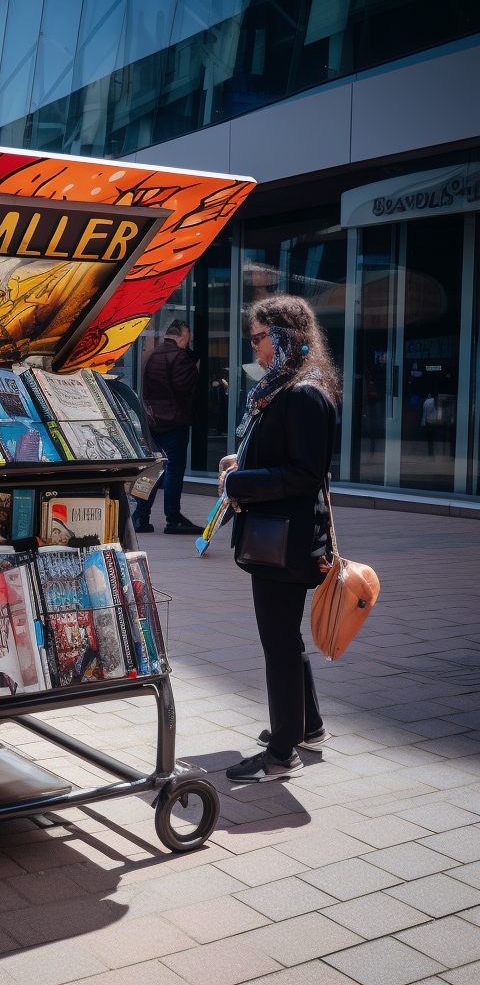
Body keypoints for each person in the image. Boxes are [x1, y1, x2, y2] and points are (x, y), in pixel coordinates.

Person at [219, 295, 340, 784]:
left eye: (259, 338)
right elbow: (286, 460)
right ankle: (305, 728)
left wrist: (239, 483)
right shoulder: (284, 390)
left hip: (285, 543)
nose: (255, 348)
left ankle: (282, 752)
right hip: (280, 537)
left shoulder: (302, 393)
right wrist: (241, 464)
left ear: (286, 337)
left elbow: (304, 473)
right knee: (285, 637)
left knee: (279, 643)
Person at [135, 319, 201, 534]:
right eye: (188, 334)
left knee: (152, 468)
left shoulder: (152, 354)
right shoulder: (179, 357)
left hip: (153, 420)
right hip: (174, 420)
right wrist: (194, 368)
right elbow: (184, 387)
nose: (189, 338)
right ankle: (173, 517)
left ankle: (141, 516)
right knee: (174, 469)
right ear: (181, 334)